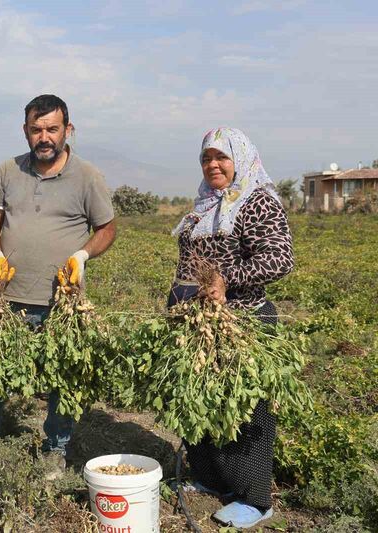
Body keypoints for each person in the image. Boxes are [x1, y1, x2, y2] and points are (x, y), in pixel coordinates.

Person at [0, 94, 117, 476]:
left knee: (62, 379)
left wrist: (83, 255)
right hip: (7, 299)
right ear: (25, 131)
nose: (44, 137)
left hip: (63, 303)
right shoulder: (8, 171)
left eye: (52, 129)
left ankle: (56, 450)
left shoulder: (87, 176)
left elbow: (106, 228)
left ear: (67, 130)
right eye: (36, 129)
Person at [168, 127, 294, 529]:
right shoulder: (205, 204)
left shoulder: (257, 201)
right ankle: (212, 479)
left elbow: (279, 259)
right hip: (202, 323)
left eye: (221, 157)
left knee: (246, 408)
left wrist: (228, 278)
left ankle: (255, 499)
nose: (213, 165)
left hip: (244, 320)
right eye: (206, 158)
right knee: (202, 400)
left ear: (240, 159)